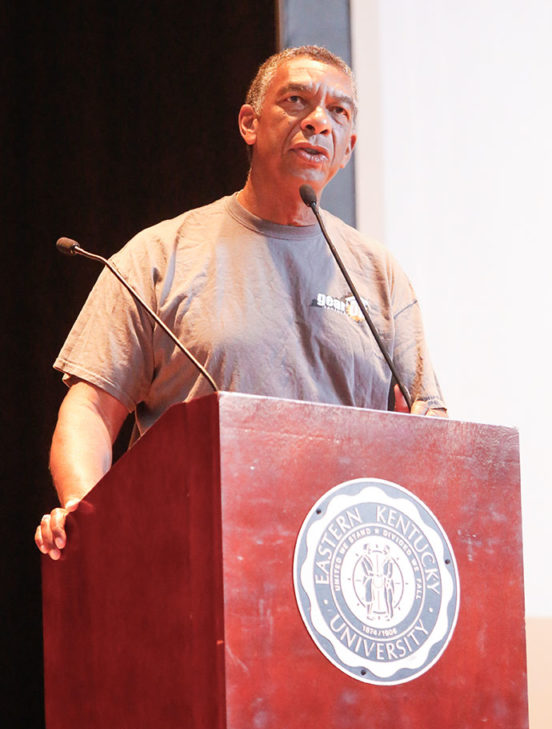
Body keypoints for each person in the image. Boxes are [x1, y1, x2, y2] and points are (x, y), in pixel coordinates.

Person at [35, 45, 447, 561]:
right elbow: (92, 408)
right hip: (190, 558)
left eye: (338, 112)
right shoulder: (161, 255)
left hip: (344, 572)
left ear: (348, 147)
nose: (318, 122)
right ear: (249, 123)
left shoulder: (378, 275)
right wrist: (86, 511)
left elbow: (426, 430)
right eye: (297, 100)